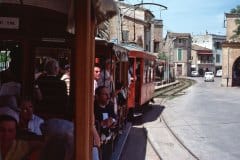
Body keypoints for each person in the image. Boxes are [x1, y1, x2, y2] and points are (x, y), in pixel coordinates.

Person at [94, 86, 117, 160]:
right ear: (97, 96)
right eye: (105, 94)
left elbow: (114, 117)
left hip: (108, 142)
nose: (108, 97)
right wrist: (101, 123)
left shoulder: (110, 106)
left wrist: (112, 121)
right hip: (98, 144)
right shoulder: (93, 108)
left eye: (108, 94)